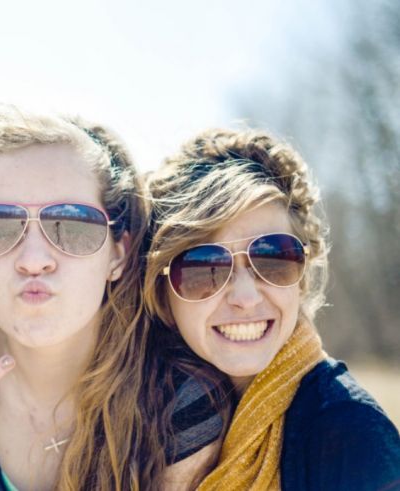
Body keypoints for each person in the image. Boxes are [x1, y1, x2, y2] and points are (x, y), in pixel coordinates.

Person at [0, 104, 224, 490]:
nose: (34, 261)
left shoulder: (176, 405)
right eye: (2, 226)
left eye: (72, 225)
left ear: (117, 254)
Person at [143, 128, 400, 489]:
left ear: (302, 277)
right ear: (163, 291)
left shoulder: (350, 432)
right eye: (204, 268)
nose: (245, 296)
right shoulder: (134, 420)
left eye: (273, 258)